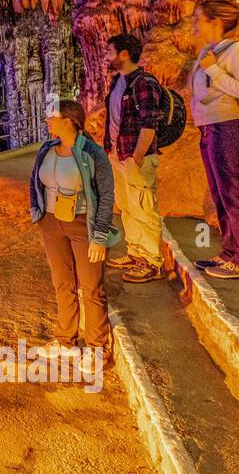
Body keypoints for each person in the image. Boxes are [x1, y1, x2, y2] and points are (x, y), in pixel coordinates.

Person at [28, 98, 122, 374]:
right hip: (52, 222)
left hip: (83, 224)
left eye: (52, 116)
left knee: (91, 286)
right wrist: (38, 213)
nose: (47, 120)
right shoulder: (47, 149)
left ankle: (96, 347)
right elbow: (36, 181)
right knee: (62, 282)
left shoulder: (92, 153)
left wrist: (100, 235)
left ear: (69, 121)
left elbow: (105, 195)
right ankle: (65, 340)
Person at [190, 0, 239, 280]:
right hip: (210, 129)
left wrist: (213, 70)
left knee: (235, 193)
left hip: (230, 128)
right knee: (221, 194)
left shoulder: (237, 51)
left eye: (199, 19)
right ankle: (231, 252)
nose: (195, 25)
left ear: (215, 22)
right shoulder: (211, 52)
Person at [102, 33, 165, 283]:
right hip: (119, 156)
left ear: (124, 54)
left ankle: (151, 262)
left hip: (136, 157)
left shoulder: (144, 82)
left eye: (110, 51)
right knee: (128, 208)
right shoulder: (118, 82)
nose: (106, 56)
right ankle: (136, 252)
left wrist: (138, 156)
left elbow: (150, 123)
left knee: (144, 208)